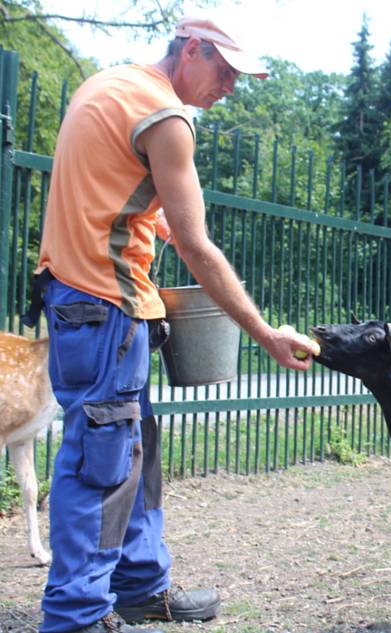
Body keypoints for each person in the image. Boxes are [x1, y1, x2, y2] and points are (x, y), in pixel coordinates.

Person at [30, 16, 317, 633]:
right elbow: (196, 246)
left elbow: (111, 196)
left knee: (135, 450)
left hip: (83, 299)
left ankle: (139, 585)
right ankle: (77, 615)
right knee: (98, 462)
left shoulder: (107, 86)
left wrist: (155, 225)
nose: (231, 88)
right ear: (192, 50)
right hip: (106, 305)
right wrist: (265, 333)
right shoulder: (166, 116)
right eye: (227, 72)